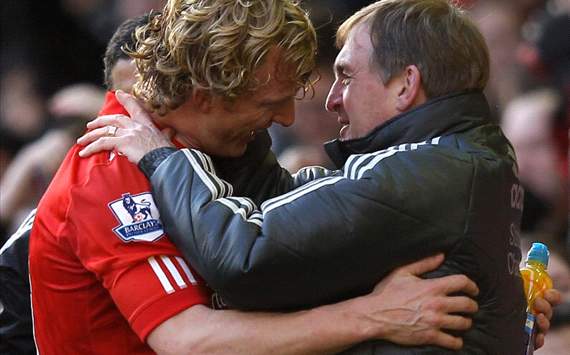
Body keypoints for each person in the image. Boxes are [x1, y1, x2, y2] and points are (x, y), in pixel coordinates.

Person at [78, 0, 562, 353]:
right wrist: (242, 127)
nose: (331, 99)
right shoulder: (466, 156)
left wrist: (163, 158)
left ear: (405, 85)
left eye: (347, 76)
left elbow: (244, 258)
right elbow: (290, 211)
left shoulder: (425, 171)